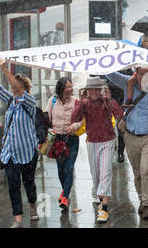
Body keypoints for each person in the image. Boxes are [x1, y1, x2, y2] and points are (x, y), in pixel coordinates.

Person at [0, 58, 39, 228]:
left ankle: (32, 206)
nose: (14, 90)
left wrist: (4, 68)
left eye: (17, 88)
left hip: (27, 153)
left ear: (24, 89)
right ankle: (18, 219)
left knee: (29, 184)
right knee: (13, 186)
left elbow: (16, 87)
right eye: (12, 88)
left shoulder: (30, 102)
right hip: (10, 154)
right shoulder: (11, 101)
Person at [105, 67, 148, 220]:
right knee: (137, 172)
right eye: (140, 73)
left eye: (147, 73)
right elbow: (110, 73)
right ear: (136, 73)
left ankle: (147, 204)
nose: (143, 77)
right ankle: (142, 199)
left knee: (146, 168)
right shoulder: (127, 83)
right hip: (131, 135)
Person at [71, 76, 124, 223]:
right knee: (96, 175)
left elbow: (119, 114)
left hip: (107, 141)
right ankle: (101, 197)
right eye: (90, 89)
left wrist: (109, 99)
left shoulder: (106, 101)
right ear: (87, 90)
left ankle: (104, 208)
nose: (93, 92)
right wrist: (80, 101)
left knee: (105, 173)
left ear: (101, 90)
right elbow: (75, 119)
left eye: (96, 89)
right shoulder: (85, 103)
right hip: (92, 142)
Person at [45, 77, 83, 211]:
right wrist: (50, 130)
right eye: (67, 87)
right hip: (57, 141)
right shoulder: (52, 101)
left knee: (68, 168)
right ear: (60, 89)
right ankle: (65, 193)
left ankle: (65, 197)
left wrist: (74, 126)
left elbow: (81, 119)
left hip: (71, 139)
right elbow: (46, 119)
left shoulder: (76, 102)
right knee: (60, 169)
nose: (70, 89)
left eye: (71, 86)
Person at [42, 22, 65, 98]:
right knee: (57, 73)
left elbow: (42, 38)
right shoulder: (63, 34)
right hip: (56, 57)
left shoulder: (50, 32)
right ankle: (57, 89)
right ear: (63, 27)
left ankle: (47, 91)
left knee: (47, 75)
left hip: (47, 56)